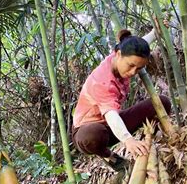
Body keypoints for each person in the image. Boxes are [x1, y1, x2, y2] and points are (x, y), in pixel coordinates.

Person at [72, 29, 171, 171]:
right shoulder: (102, 81)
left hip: (113, 123)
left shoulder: (122, 53)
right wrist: (128, 140)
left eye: (138, 68)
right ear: (118, 55)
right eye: (131, 66)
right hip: (88, 131)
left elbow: (136, 46)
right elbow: (111, 115)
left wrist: (156, 32)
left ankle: (147, 143)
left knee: (162, 103)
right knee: (93, 135)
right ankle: (108, 156)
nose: (133, 72)